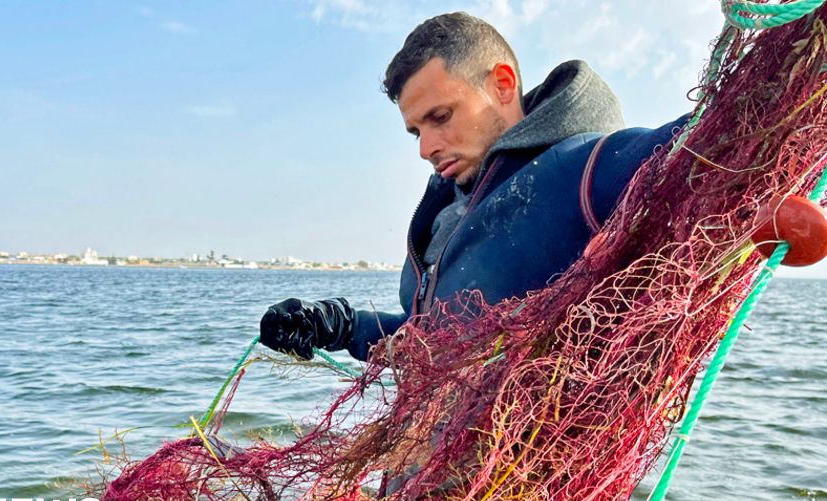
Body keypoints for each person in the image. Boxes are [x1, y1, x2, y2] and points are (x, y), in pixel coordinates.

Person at [260, 12, 687, 361]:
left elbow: (714, 144)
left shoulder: (584, 169)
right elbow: (432, 340)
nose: (425, 148)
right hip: (425, 461)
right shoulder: (449, 207)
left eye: (441, 117)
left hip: (522, 463)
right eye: (415, 132)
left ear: (502, 85)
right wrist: (342, 325)